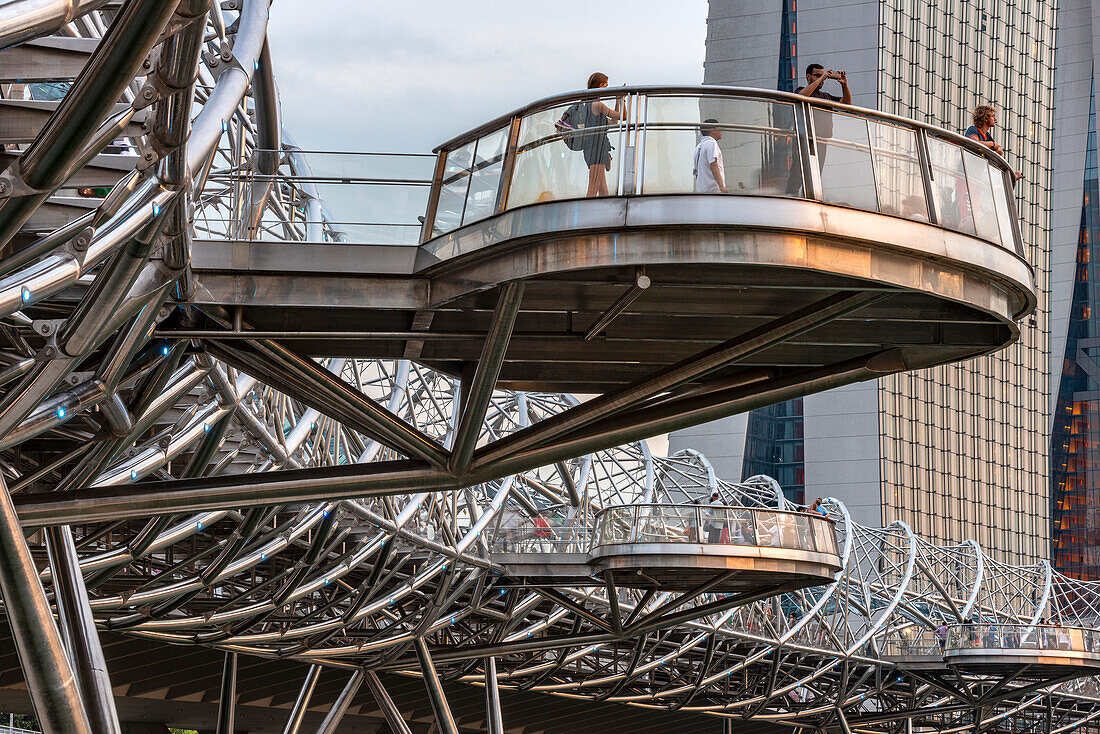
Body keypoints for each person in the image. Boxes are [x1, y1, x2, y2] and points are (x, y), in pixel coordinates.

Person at [786, 64, 852, 196]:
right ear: (808, 76)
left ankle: (810, 197)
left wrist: (844, 85)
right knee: (798, 172)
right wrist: (821, 78)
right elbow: (802, 97)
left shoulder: (825, 96)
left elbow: (846, 104)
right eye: (817, 75)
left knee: (816, 172)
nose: (821, 79)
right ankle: (790, 196)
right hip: (805, 136)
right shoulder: (802, 90)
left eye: (822, 75)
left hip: (821, 139)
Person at [580, 72, 624, 197]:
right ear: (600, 85)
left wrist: (617, 101)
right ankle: (586, 214)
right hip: (597, 148)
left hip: (592, 148)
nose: (606, 88)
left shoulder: (587, 105)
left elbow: (614, 122)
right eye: (605, 85)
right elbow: (622, 117)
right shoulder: (597, 105)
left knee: (603, 190)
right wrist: (622, 99)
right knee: (593, 189)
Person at [965, 105, 1024, 181]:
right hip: (968, 171)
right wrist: (992, 144)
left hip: (977, 173)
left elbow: (1000, 150)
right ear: (985, 118)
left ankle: (1010, 178)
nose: (995, 119)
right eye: (992, 116)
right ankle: (1010, 178)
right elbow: (975, 143)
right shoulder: (973, 129)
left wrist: (990, 146)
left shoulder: (987, 136)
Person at [693, 119, 727, 193]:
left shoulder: (699, 147)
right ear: (713, 130)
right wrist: (721, 187)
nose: (721, 131)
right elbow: (713, 164)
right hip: (713, 191)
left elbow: (696, 172)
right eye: (719, 128)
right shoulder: (711, 143)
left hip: (702, 191)